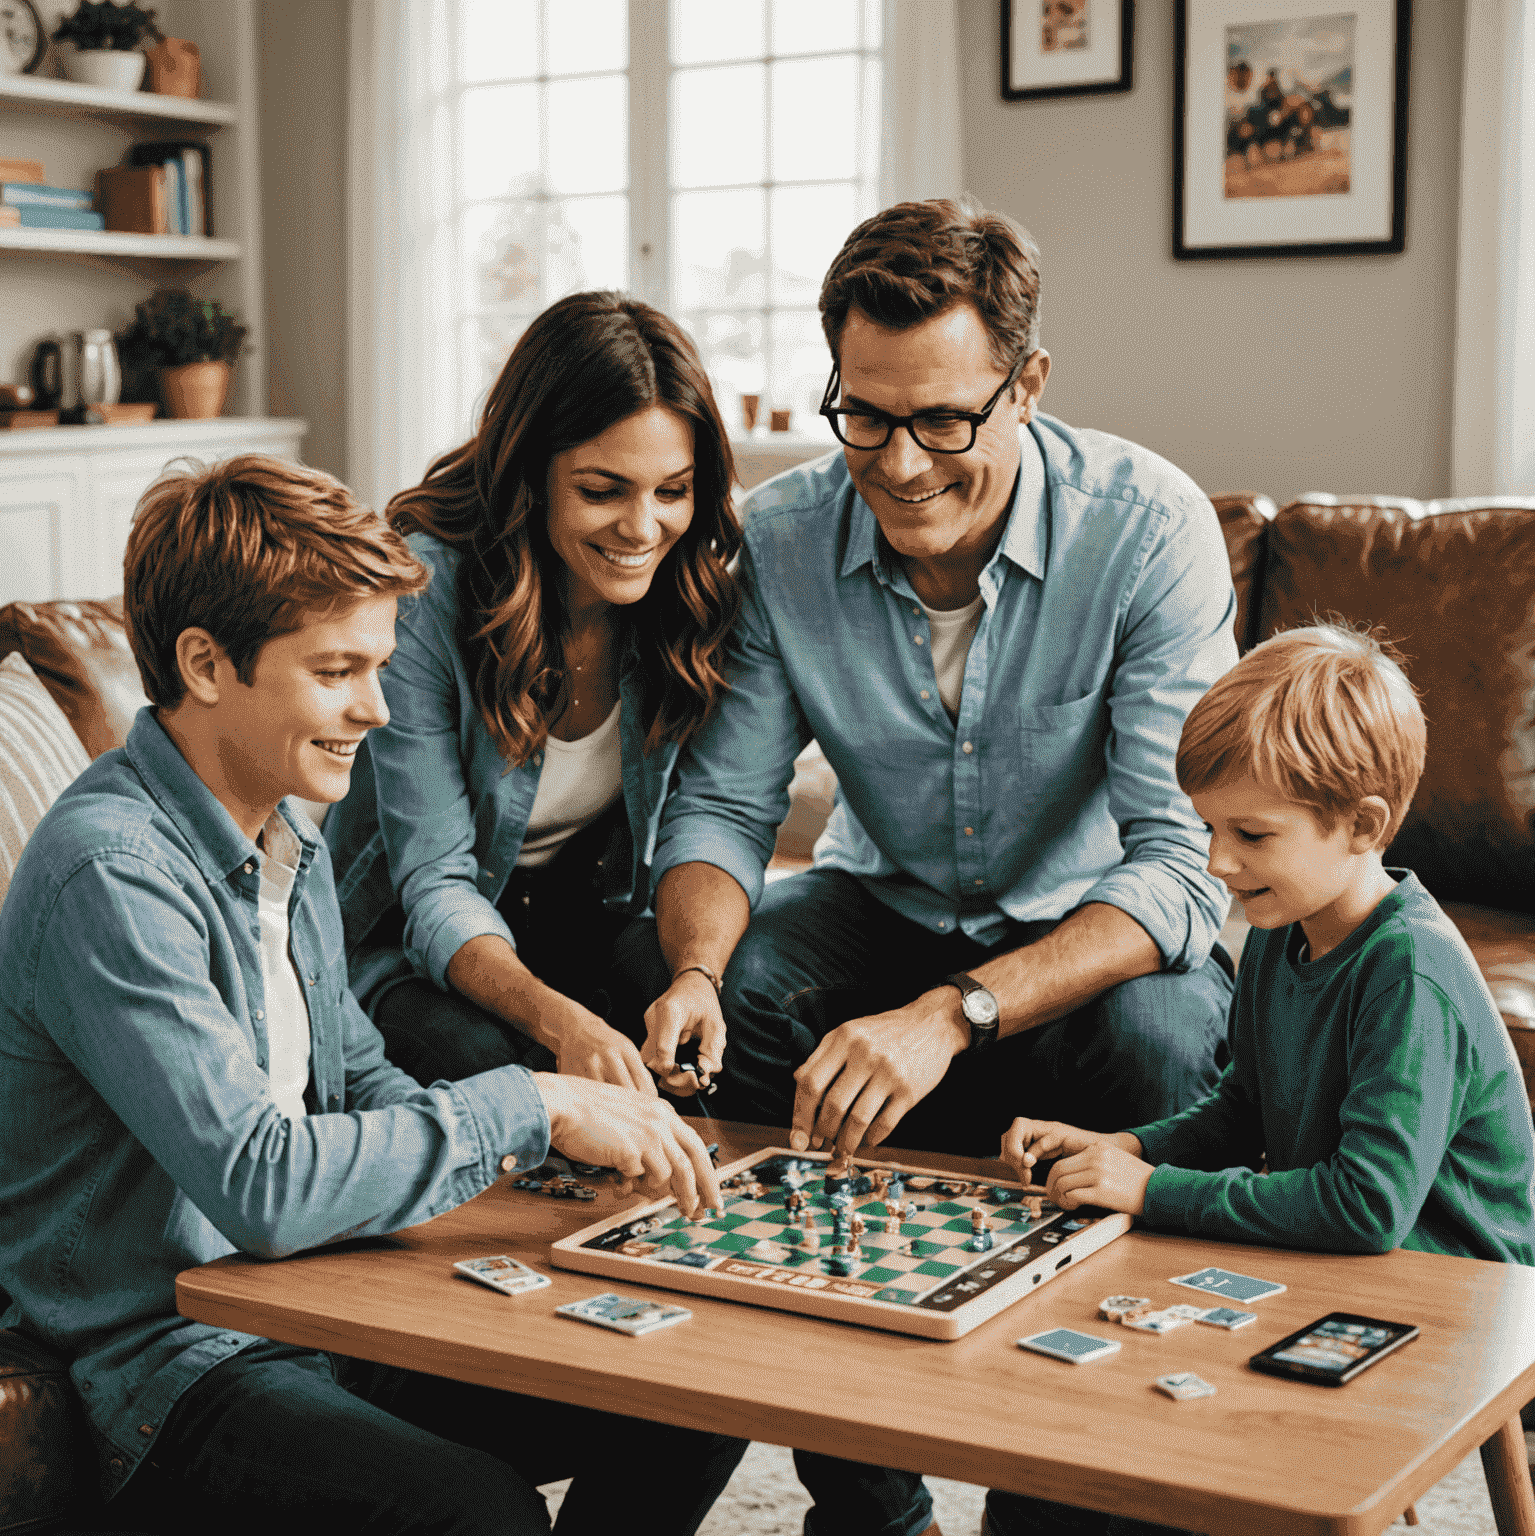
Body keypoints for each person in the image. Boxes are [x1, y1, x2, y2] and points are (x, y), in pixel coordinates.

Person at [632, 194, 1239, 1536]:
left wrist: (952, 1016)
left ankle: (1069, 1484)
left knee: (1159, 1042)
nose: (901, 463)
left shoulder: (1147, 531)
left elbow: (1177, 870)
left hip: (1090, 934)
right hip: (881, 901)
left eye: (944, 421)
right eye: (866, 414)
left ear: (1027, 386)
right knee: (741, 1012)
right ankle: (864, 1487)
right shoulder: (780, 543)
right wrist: (692, 970)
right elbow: (725, 809)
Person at [0, 455, 744, 1534]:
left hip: (316, 1304)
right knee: (477, 1511)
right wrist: (529, 1104)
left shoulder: (282, 834)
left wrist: (553, 1155)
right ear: (207, 666)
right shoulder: (109, 874)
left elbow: (352, 1080)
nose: (379, 708)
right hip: (162, 1359)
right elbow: (260, 1179)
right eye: (338, 671)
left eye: (381, 666)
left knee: (696, 1389)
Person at [990, 623, 1535, 1536]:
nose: (1215, 862)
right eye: (1207, 827)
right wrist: (1125, 1147)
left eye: (1250, 833)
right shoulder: (1285, 929)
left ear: (1362, 825)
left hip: (1449, 1298)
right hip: (1348, 1261)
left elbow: (1365, 1208)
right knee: (1051, 1469)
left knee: (1143, 1495)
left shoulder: (1407, 973)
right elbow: (1242, 1104)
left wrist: (1155, 1191)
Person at [325, 291, 741, 1090]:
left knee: (729, 1004)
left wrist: (694, 978)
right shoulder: (423, 595)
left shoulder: (690, 593)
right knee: (499, 1070)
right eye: (602, 490)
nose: (643, 528)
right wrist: (565, 1024)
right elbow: (436, 884)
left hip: (583, 914)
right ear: (531, 475)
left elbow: (705, 821)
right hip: (411, 936)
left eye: (672, 490)